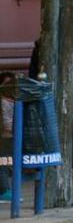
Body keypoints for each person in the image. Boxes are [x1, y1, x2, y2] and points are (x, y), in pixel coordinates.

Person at [0, 72, 14, 202]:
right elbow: (6, 122)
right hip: (6, 138)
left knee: (5, 163)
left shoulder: (12, 102)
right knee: (4, 163)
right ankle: (4, 190)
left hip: (8, 138)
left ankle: (5, 190)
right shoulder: (4, 102)